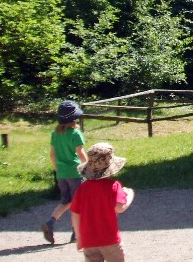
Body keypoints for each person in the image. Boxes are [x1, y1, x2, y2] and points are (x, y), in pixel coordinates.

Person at [70, 142, 134, 262]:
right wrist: (129, 194)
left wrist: (79, 238)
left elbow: (75, 214)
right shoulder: (114, 186)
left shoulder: (82, 189)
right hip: (110, 239)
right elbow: (119, 208)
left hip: (89, 241)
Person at [41, 100, 88, 245]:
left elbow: (52, 154)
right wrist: (88, 167)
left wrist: (57, 170)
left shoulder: (55, 134)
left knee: (65, 201)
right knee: (79, 204)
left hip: (61, 173)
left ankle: (50, 222)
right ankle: (76, 232)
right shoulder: (75, 133)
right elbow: (80, 154)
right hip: (75, 173)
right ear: (74, 118)